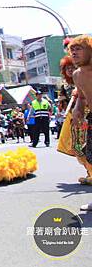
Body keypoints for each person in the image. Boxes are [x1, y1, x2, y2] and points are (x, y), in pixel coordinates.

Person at [66, 36, 92, 211]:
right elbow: (82, 97)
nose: (74, 52)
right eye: (72, 50)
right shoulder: (77, 75)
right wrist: (77, 109)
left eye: (79, 49)